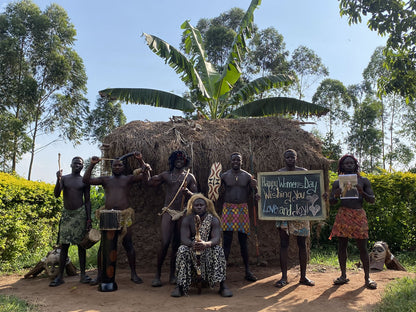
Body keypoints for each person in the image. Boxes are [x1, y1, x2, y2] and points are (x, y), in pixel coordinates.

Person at [82, 152, 151, 284]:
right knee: (103, 247)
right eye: (115, 165)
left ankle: (133, 274)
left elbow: (145, 177)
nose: (118, 167)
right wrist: (91, 165)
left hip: (125, 215)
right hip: (108, 215)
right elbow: (86, 180)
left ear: (123, 167)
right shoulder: (105, 179)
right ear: (111, 167)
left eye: (120, 165)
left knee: (128, 244)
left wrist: (141, 161)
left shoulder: (128, 179)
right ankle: (99, 275)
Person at [147, 150, 198, 287]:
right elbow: (150, 183)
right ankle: (157, 274)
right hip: (168, 212)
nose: (179, 161)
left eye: (181, 159)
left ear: (185, 161)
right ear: (172, 161)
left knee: (177, 245)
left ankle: (172, 275)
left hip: (183, 213)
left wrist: (189, 193)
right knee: (165, 243)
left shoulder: (189, 177)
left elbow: (197, 197)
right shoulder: (166, 175)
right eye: (176, 159)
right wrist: (144, 167)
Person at [329, 154, 377, 289]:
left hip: (358, 214)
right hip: (343, 214)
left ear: (356, 165)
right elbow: (332, 202)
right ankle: (343, 275)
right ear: (341, 166)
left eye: (351, 163)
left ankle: (367, 278)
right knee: (342, 246)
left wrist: (363, 193)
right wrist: (335, 195)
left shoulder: (363, 181)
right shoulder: (337, 183)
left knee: (363, 247)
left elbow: (372, 200)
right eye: (346, 163)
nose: (349, 165)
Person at [171, 194, 232, 297]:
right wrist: (192, 244)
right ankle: (179, 286)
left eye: (201, 205)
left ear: (206, 206)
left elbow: (216, 239)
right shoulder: (187, 219)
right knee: (182, 250)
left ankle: (223, 285)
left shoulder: (213, 220)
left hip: (208, 250)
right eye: (196, 205)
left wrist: (205, 244)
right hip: (192, 249)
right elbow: (184, 238)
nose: (199, 207)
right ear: (192, 206)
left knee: (218, 250)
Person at [274, 149, 315, 288]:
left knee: (302, 244)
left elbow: (312, 189)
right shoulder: (279, 174)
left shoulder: (303, 172)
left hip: (301, 212)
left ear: (296, 158)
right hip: (283, 212)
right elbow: (272, 192)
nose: (290, 159)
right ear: (284, 159)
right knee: (284, 243)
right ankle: (284, 277)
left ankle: (303, 276)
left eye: (292, 157)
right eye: (288, 157)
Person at [49, 156, 92, 287]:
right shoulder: (65, 178)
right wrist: (58, 179)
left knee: (81, 246)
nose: (78, 165)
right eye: (75, 163)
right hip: (67, 215)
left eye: (80, 164)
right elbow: (56, 194)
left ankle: (83, 275)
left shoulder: (84, 180)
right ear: (71, 165)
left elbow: (88, 200)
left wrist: (89, 218)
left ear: (82, 166)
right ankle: (60, 276)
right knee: (64, 246)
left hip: (80, 215)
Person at [220, 152, 258, 282]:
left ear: (242, 162)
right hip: (228, 209)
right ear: (230, 161)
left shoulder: (248, 176)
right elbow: (215, 191)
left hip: (242, 209)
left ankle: (247, 271)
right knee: (226, 241)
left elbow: (255, 194)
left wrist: (255, 187)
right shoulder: (224, 176)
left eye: (238, 160)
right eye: (234, 160)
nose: (236, 162)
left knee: (243, 242)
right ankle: (222, 271)